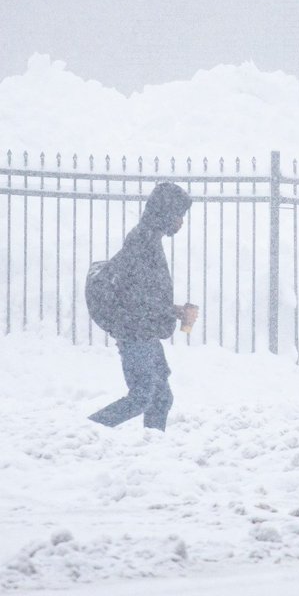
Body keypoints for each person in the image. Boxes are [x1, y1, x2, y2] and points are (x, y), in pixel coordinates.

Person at [88, 182, 195, 431]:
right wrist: (175, 312)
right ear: (166, 213)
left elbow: (145, 294)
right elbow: (138, 298)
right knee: (141, 397)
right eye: (179, 215)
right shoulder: (143, 243)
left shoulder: (149, 239)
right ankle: (85, 431)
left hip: (143, 330)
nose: (181, 222)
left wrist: (174, 310)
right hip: (135, 331)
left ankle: (152, 445)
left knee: (160, 398)